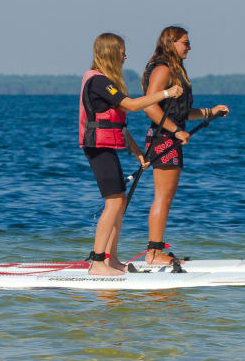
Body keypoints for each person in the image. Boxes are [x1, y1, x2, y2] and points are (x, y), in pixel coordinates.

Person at [80, 33, 184, 276]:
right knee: (113, 202)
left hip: (107, 146)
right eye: (122, 52)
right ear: (110, 52)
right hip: (97, 147)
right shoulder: (98, 81)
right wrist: (166, 94)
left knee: (120, 201)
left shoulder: (107, 81)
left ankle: (112, 260)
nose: (125, 57)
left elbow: (120, 124)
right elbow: (132, 105)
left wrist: (137, 152)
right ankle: (97, 263)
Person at [141, 26, 229, 264]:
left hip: (168, 137)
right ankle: (153, 253)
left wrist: (210, 112)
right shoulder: (162, 69)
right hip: (162, 138)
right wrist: (176, 131)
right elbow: (150, 105)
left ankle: (155, 250)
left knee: (166, 197)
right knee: (163, 197)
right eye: (185, 43)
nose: (189, 47)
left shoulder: (175, 70)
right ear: (171, 43)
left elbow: (181, 112)